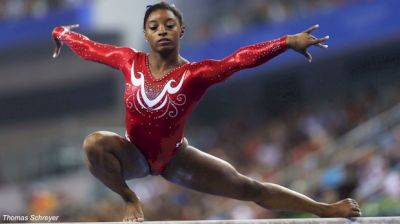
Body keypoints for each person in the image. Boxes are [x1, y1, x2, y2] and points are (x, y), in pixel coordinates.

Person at [52, 2, 361, 222]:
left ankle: (325, 209)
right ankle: (131, 200)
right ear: (145, 33)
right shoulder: (128, 60)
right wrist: (62, 33)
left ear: (181, 30)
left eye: (169, 25)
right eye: (154, 26)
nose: (162, 31)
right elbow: (90, 48)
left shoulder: (195, 74)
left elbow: (239, 60)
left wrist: (285, 42)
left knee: (249, 187)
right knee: (94, 144)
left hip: (176, 157)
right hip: (133, 153)